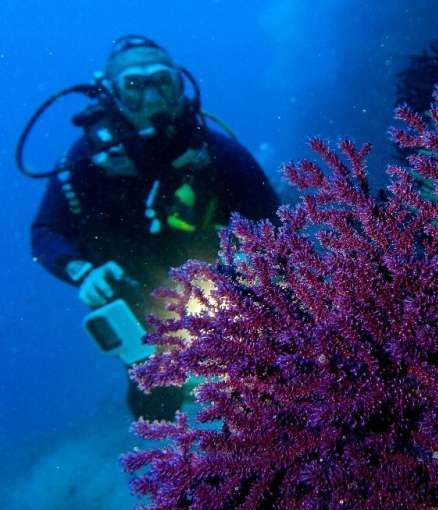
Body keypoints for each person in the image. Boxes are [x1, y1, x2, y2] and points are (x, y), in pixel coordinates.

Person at [29, 35, 280, 420]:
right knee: (153, 407)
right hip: (138, 305)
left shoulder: (213, 151)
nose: (151, 99)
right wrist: (81, 271)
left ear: (179, 85)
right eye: (134, 86)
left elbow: (271, 217)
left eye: (162, 82)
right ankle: (188, 470)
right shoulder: (86, 160)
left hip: (220, 293)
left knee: (266, 388)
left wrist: (253, 264)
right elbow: (46, 232)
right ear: (111, 93)